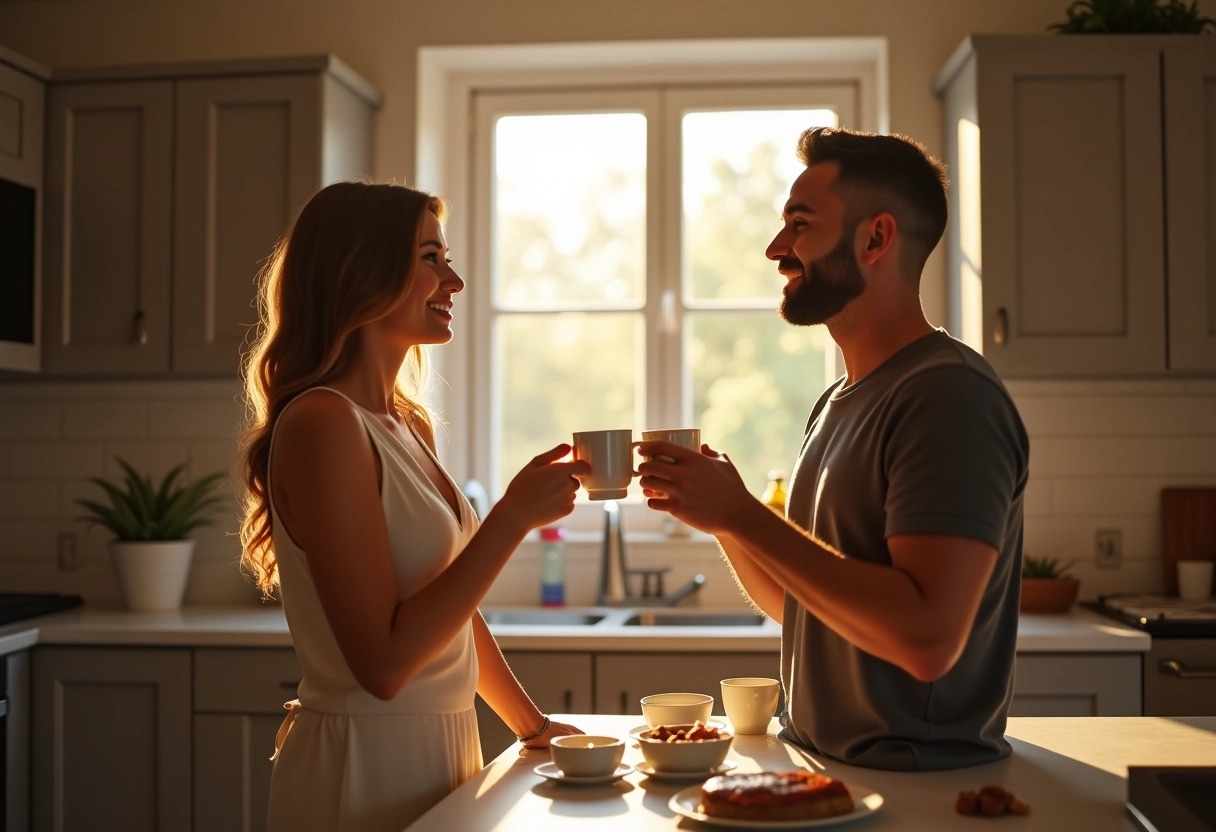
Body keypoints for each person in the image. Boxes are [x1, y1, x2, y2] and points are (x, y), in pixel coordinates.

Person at [637, 127, 1029, 772]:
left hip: (915, 781)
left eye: (800, 223)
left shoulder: (947, 396)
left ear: (875, 238)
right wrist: (722, 520)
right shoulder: (840, 400)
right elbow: (801, 609)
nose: (776, 249)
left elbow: (928, 640)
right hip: (829, 766)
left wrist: (742, 514)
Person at [236, 181, 589, 831]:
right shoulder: (322, 422)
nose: (453, 280)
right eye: (430, 257)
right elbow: (384, 664)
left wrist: (534, 728)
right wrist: (510, 519)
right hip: (363, 770)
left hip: (444, 754)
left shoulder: (405, 424)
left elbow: (446, 611)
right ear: (361, 273)